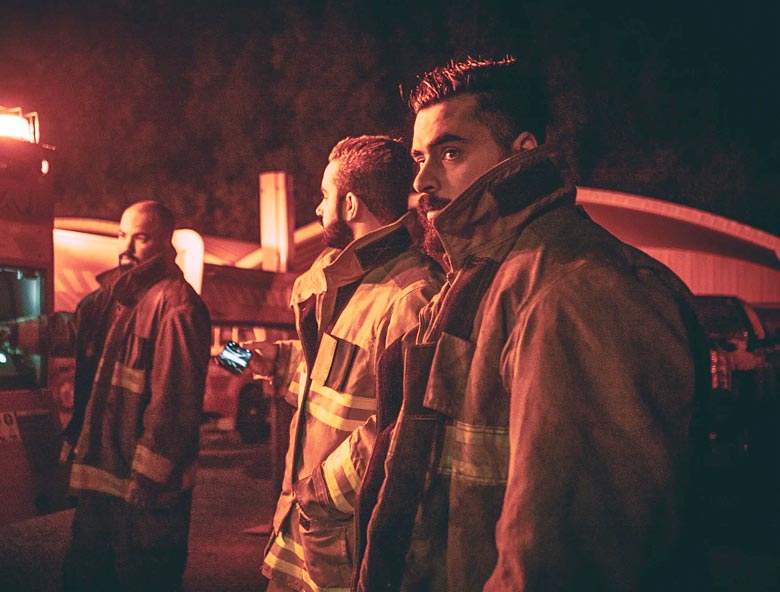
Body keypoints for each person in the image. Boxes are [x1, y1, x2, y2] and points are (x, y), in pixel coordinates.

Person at [356, 57, 711, 591]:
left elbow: (568, 558)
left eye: (451, 152)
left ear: (522, 152)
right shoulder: (478, 279)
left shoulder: (579, 289)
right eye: (420, 157)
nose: (422, 180)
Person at [245, 135, 444, 591]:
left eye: (325, 195)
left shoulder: (412, 297)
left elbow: (407, 428)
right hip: (308, 535)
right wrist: (281, 360)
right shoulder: (349, 282)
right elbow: (343, 380)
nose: (319, 209)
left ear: (350, 204)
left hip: (345, 541)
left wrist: (319, 494)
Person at [4, 201, 211, 591]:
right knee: (86, 577)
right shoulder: (111, 298)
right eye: (122, 235)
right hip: (103, 483)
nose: (126, 247)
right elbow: (68, 329)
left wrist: (149, 482)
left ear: (165, 242)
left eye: (140, 237)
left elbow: (174, 407)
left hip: (144, 492)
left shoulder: (177, 307)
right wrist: (9, 333)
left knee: (144, 579)